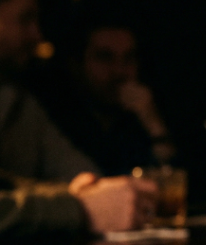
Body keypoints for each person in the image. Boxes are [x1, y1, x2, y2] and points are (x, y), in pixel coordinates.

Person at [0, 0, 157, 238]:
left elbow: (83, 177)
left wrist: (90, 195)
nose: (37, 36)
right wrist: (80, 209)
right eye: (26, 20)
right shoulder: (56, 103)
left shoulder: (19, 102)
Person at [45, 20, 176, 176]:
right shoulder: (55, 120)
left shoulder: (139, 119)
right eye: (105, 57)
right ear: (76, 65)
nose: (119, 71)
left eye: (128, 58)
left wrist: (154, 125)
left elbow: (174, 180)